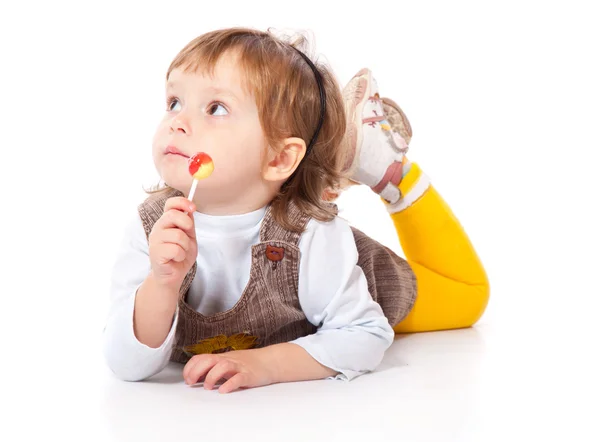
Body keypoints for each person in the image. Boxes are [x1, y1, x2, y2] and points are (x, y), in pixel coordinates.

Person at [102, 27, 490, 394]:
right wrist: (162, 283)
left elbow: (365, 334)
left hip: (374, 284)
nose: (178, 123)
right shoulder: (150, 226)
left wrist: (266, 365)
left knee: (468, 296)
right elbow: (125, 363)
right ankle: (335, 160)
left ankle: (388, 170)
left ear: (279, 158)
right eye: (174, 102)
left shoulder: (314, 235)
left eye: (216, 108)